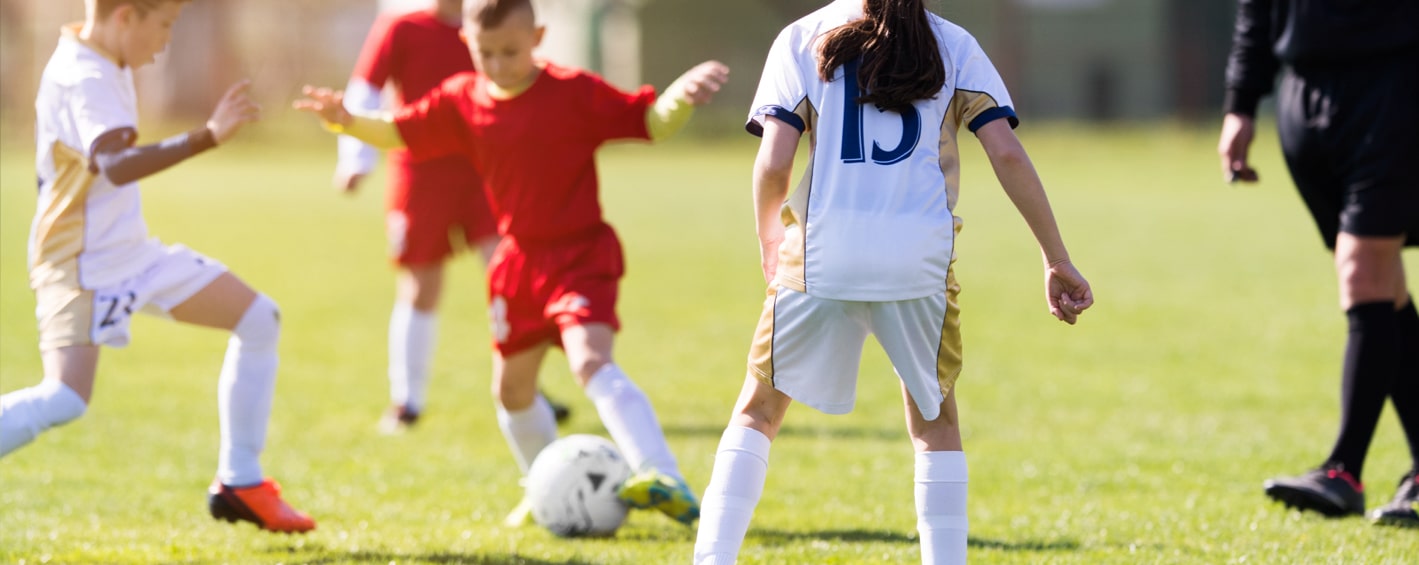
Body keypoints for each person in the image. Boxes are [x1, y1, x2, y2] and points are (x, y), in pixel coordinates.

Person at [294, 0, 729, 526]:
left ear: (538, 36)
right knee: (511, 389)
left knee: (589, 359)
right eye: (486, 53)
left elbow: (650, 122)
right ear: (467, 45)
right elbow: (399, 131)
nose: (498, 65)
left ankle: (661, 473)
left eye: (510, 52)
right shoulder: (462, 99)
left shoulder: (574, 91)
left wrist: (678, 96)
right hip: (517, 263)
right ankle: (544, 485)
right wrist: (346, 123)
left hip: (579, 254)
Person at [692, 1, 1094, 562]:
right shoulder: (953, 43)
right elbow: (1005, 151)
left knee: (758, 411)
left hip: (820, 259)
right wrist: (1055, 257)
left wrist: (769, 241)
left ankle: (712, 557)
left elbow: (774, 162)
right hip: (918, 264)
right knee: (936, 422)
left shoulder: (803, 36)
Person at [0, 0, 314, 533]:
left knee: (259, 319)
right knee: (65, 399)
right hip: (79, 266)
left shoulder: (103, 55)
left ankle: (240, 482)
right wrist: (207, 135)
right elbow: (117, 165)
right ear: (125, 16)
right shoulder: (85, 75)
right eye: (164, 25)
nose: (166, 40)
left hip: (133, 255)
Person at [1219, 0, 1419, 527]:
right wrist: (1240, 102)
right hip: (1304, 93)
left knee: (1364, 271)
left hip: (1395, 85)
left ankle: (1344, 471)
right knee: (1382, 286)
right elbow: (1255, 10)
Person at [337, 0, 568, 432]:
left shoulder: (491, 25)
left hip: (487, 172)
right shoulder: (401, 27)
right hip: (420, 175)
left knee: (510, 277)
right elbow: (365, 88)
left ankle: (526, 389)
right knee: (422, 285)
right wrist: (355, 158)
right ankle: (407, 401)